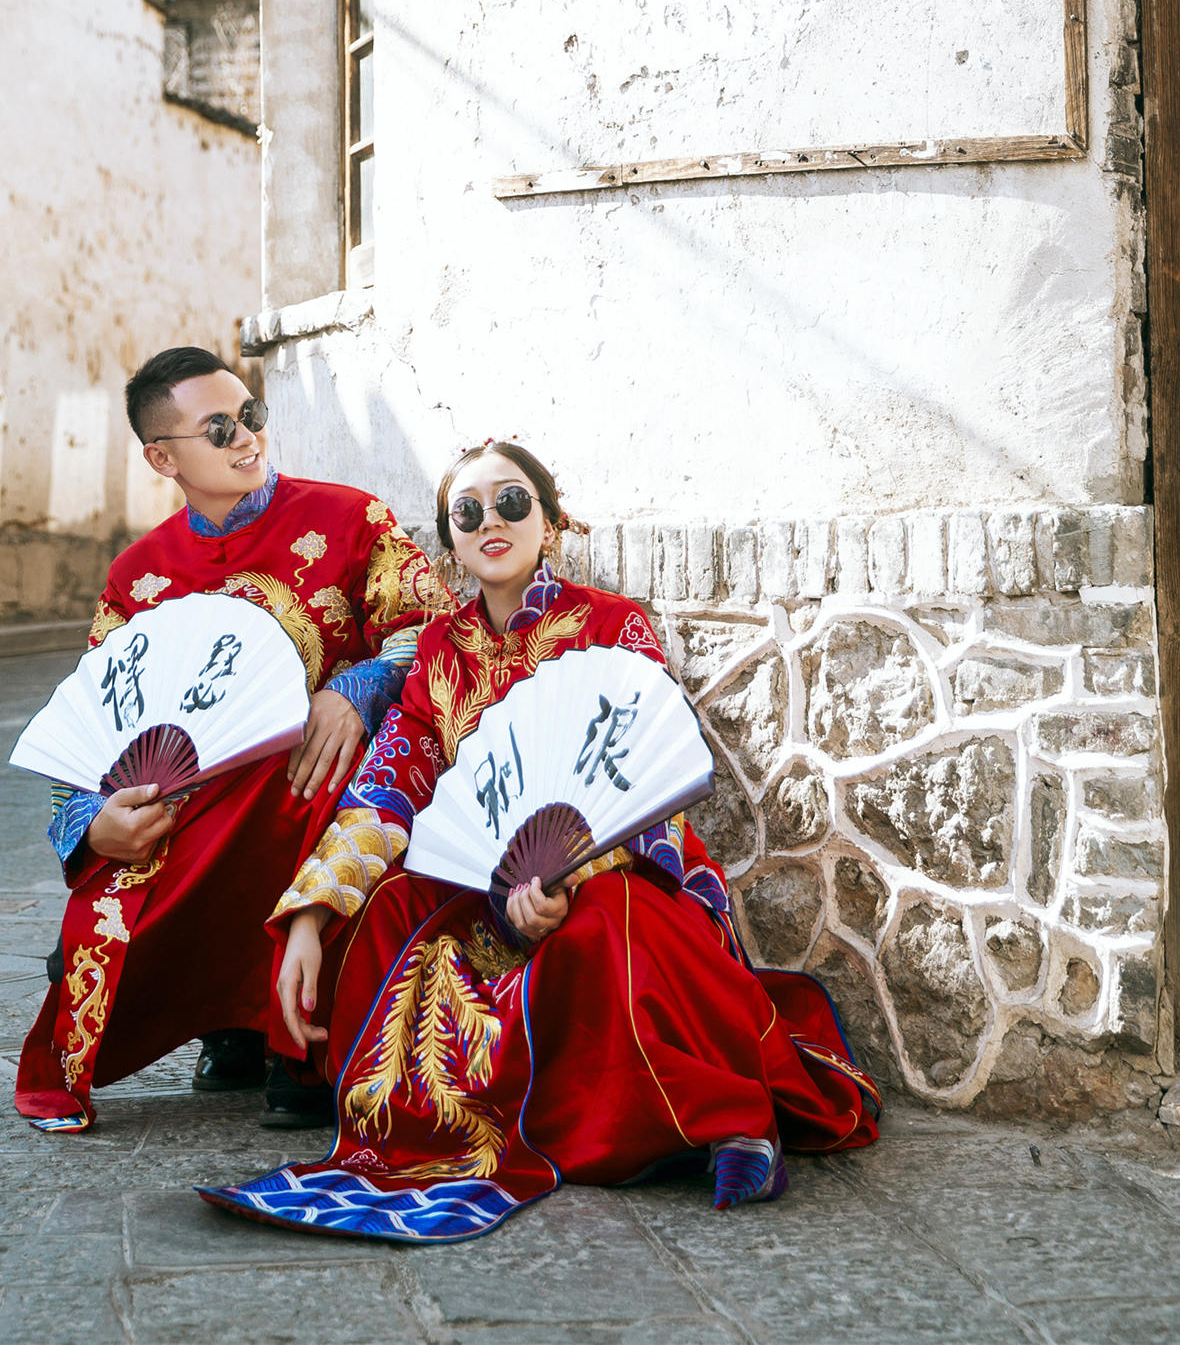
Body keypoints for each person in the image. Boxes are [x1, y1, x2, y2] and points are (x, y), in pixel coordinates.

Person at [199, 440, 879, 1242]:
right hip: (482, 891)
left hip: (614, 872)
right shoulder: (440, 653)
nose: (491, 521)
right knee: (384, 909)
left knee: (606, 926)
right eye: (467, 512)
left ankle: (728, 1122)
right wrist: (312, 916)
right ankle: (468, 1130)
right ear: (452, 545)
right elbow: (388, 786)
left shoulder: (612, 626)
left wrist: (561, 878)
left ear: (549, 523)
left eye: (512, 502)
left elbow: (640, 780)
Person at [14, 346, 449, 1134]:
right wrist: (89, 822)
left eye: (250, 415)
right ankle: (230, 1023)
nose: (247, 437)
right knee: (133, 853)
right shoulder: (138, 577)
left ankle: (301, 1040)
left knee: (320, 779)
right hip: (201, 809)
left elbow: (433, 628)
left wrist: (355, 690)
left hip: (319, 778)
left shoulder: (351, 519)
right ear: (163, 458)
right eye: (219, 428)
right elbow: (91, 724)